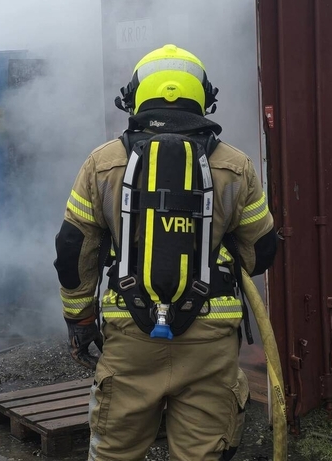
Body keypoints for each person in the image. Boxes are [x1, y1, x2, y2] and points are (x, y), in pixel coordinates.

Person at [53, 44, 278, 461]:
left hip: (129, 334)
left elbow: (73, 250)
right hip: (210, 338)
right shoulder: (235, 166)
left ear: (135, 96)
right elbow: (261, 251)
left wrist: (80, 318)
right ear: (204, 98)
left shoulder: (102, 163)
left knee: (115, 453)